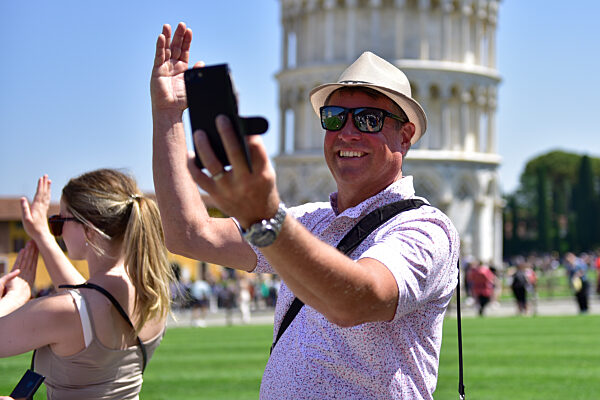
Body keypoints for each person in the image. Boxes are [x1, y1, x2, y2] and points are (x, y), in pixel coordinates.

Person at [151, 22, 459, 400]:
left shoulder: (426, 229)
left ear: (405, 136)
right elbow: (189, 234)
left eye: (368, 119)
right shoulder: (309, 221)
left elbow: (355, 301)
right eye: (334, 118)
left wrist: (266, 221)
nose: (348, 133)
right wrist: (167, 117)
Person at [0, 170, 174, 399]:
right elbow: (88, 298)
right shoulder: (150, 294)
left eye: (60, 222)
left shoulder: (66, 311)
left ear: (89, 230)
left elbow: (80, 306)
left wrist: (15, 297)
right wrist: (42, 235)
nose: (59, 233)